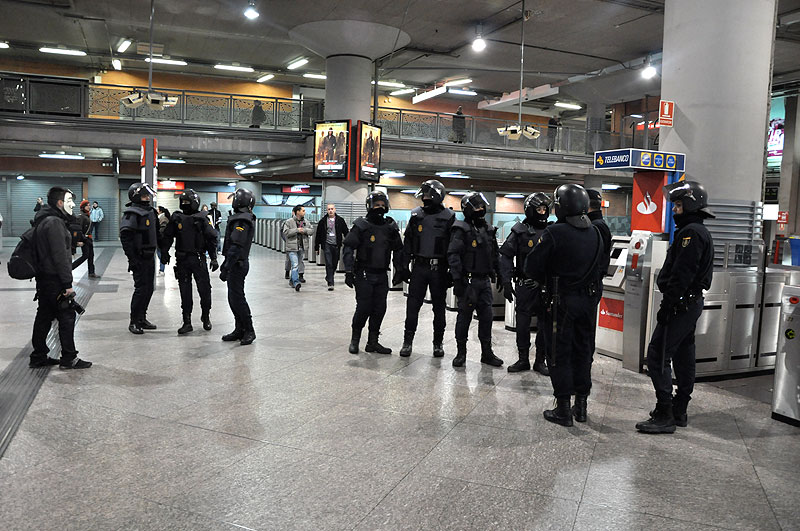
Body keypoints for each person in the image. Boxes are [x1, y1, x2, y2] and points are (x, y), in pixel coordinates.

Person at [636, 181, 715, 434]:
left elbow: (682, 273)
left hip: (681, 303)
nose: (674, 210)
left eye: (678, 205)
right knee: (683, 354)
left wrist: (668, 304)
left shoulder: (691, 233)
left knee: (657, 354)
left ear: (691, 205)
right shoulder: (697, 231)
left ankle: (665, 413)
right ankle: (679, 409)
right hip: (689, 303)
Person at [524, 184, 604, 427]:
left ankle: (563, 408)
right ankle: (582, 405)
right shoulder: (596, 232)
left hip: (561, 303)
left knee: (559, 353)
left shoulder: (554, 232)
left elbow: (532, 267)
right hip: (587, 303)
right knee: (583, 351)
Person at [29, 187, 91, 369]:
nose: (73, 205)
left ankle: (38, 356)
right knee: (66, 316)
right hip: (55, 279)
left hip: (44, 278)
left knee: (44, 316)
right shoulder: (54, 223)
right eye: (69, 201)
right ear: (59, 203)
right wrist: (67, 284)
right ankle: (69, 358)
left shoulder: (44, 220)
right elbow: (60, 257)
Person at [397, 180, 455, 358]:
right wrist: (403, 266)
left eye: (429, 195)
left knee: (439, 308)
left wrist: (452, 271)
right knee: (412, 307)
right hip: (419, 267)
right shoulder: (416, 215)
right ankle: (407, 342)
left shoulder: (449, 217)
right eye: (424, 195)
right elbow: (408, 242)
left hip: (439, 269)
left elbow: (453, 246)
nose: (425, 198)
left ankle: (438, 343)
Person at [448, 191, 504, 368]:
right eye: (477, 207)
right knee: (464, 318)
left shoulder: (488, 229)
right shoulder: (460, 229)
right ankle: (461, 353)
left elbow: (494, 254)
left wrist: (500, 274)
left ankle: (487, 353)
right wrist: (457, 280)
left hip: (484, 282)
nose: (481, 210)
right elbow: (453, 255)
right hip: (468, 282)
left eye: (482, 206)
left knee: (487, 318)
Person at [343, 190, 403, 355]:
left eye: (383, 205)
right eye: (376, 205)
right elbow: (348, 247)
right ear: (369, 206)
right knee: (363, 308)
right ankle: (355, 340)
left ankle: (373, 342)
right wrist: (348, 271)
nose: (380, 207)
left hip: (382, 274)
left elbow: (399, 249)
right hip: (364, 274)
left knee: (379, 309)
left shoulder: (390, 227)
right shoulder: (361, 225)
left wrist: (400, 270)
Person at [499, 192, 552, 375]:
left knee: (545, 324)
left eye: (545, 209)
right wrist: (506, 282)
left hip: (545, 287)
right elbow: (505, 256)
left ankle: (540, 360)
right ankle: (523, 359)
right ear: (530, 210)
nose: (542, 212)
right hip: (525, 285)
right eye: (539, 209)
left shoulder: (552, 231)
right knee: (522, 323)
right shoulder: (519, 231)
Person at [161, 189, 219, 334]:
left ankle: (206, 316)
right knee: (185, 292)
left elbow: (211, 238)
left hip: (198, 259)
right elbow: (168, 236)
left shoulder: (202, 218)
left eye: (188, 202)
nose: (185, 204)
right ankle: (187, 321)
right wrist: (164, 252)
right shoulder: (177, 217)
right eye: (183, 202)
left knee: (205, 290)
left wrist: (213, 257)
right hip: (182, 259)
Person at [120, 182, 161, 335]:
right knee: (140, 289)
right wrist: (132, 259)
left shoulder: (150, 212)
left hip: (150, 257)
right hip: (139, 257)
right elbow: (126, 238)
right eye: (144, 196)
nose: (147, 198)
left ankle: (142, 317)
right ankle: (134, 321)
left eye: (147, 195)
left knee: (149, 288)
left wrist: (164, 250)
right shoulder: (132, 214)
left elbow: (157, 233)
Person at [219, 188, 257, 345]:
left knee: (238, 298)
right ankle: (239, 328)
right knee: (233, 298)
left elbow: (236, 246)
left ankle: (249, 330)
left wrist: (226, 267)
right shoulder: (241, 218)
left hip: (237, 264)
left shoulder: (242, 220)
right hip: (235, 263)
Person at [586, 189, 613, 358]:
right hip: (593, 283)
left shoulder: (596, 227)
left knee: (586, 328)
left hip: (591, 284)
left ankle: (585, 361)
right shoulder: (599, 224)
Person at [315, 203, 349, 290]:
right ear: (327, 210)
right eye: (329, 209)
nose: (330, 210)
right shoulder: (323, 221)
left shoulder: (340, 220)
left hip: (336, 244)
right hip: (327, 244)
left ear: (335, 210)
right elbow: (318, 234)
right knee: (329, 263)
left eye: (332, 209)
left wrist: (349, 242)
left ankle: (329, 276)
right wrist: (316, 247)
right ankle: (331, 282)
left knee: (334, 263)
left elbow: (346, 232)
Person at [70, 200, 100, 279]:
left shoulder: (87, 215)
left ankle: (91, 272)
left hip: (89, 238)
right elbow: (78, 230)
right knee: (85, 255)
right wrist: (79, 240)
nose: (89, 207)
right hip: (84, 239)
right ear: (83, 207)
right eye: (87, 205)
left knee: (91, 256)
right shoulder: (81, 217)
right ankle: (71, 267)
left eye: (89, 205)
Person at [283, 205, 310, 291]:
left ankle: (292, 280)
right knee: (294, 265)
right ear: (297, 212)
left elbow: (311, 230)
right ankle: (296, 282)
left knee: (297, 264)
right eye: (303, 210)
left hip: (301, 247)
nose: (304, 212)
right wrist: (297, 230)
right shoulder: (289, 222)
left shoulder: (306, 221)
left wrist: (304, 230)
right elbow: (286, 232)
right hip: (292, 247)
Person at [156, 206, 170, 275]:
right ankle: (161, 269)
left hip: (162, 239)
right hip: (161, 239)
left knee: (161, 254)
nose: (156, 210)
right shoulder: (160, 217)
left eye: (157, 209)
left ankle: (162, 269)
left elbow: (162, 229)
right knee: (160, 254)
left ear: (160, 211)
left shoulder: (163, 218)